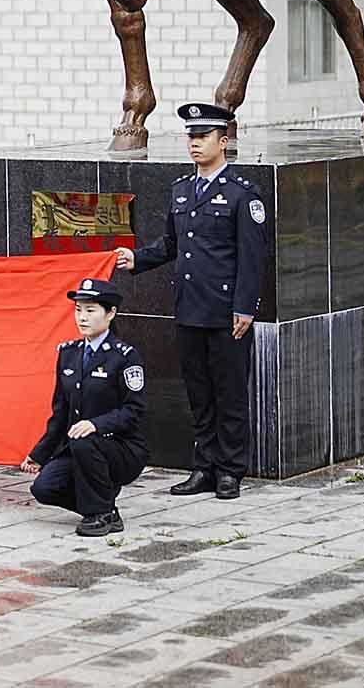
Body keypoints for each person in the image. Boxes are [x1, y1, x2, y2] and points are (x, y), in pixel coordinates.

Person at [116, 102, 267, 500]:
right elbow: (172, 244)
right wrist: (137, 259)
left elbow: (252, 258)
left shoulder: (241, 195)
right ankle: (204, 467)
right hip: (189, 309)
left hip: (225, 313)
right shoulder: (182, 190)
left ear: (223, 141)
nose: (195, 143)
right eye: (191, 137)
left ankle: (230, 470)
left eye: (203, 137)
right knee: (199, 394)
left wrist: (244, 307)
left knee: (229, 395)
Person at [20, 278, 147, 537]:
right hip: (80, 447)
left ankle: (99, 513)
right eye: (78, 310)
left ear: (110, 313)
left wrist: (96, 424)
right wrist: (39, 454)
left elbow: (134, 410)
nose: (82, 317)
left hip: (120, 448)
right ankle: (106, 508)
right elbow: (61, 412)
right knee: (43, 488)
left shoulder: (124, 356)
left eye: (90, 310)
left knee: (84, 439)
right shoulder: (68, 353)